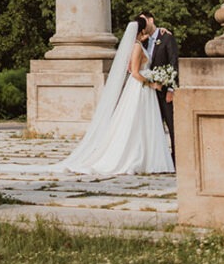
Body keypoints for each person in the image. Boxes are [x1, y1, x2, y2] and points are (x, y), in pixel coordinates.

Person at [55, 14, 174, 177]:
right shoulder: (138, 46)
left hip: (143, 90)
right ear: (142, 29)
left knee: (144, 123)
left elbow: (149, 42)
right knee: (138, 123)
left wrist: (160, 30)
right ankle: (139, 158)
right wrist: (152, 83)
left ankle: (149, 158)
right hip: (141, 87)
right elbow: (135, 73)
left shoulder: (140, 42)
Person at [141, 10, 179, 168]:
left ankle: (176, 158)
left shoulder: (166, 37)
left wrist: (171, 88)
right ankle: (158, 160)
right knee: (153, 127)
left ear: (151, 20)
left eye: (144, 22)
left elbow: (173, 62)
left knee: (172, 125)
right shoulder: (142, 42)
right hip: (149, 92)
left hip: (164, 91)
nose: (143, 26)